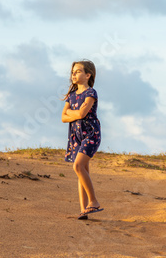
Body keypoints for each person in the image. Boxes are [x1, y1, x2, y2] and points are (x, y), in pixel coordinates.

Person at [62, 60, 104, 220]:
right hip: (76, 136)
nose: (74, 74)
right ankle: (84, 209)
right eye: (72, 72)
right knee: (82, 171)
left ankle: (93, 201)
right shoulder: (71, 96)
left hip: (91, 134)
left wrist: (72, 113)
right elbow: (63, 117)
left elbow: (81, 114)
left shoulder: (91, 93)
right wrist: (75, 112)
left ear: (88, 75)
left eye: (78, 71)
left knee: (78, 166)